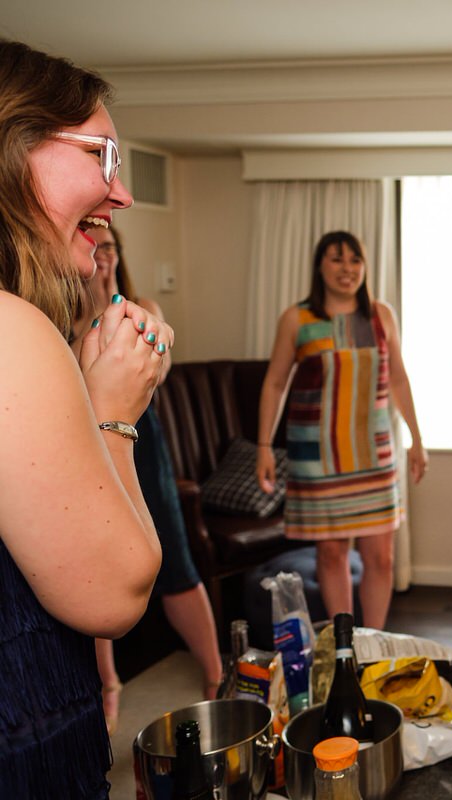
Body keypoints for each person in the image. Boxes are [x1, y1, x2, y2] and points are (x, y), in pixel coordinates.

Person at [0, 39, 170, 797]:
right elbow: (111, 594)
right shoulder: (10, 329)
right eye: (102, 154)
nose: (122, 195)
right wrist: (114, 409)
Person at [71, 226, 224, 734]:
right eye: (98, 245)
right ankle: (109, 683)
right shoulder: (62, 313)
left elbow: (159, 366)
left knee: (174, 557)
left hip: (141, 437)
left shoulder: (141, 306)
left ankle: (215, 673)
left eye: (112, 247)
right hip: (81, 435)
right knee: (95, 560)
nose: (105, 253)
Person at [256, 231, 426, 630]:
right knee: (332, 554)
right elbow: (275, 383)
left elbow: (398, 379)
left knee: (381, 556)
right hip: (317, 458)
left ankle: (374, 641)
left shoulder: (381, 315)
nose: (347, 269)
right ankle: (346, 647)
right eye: (336, 259)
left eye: (355, 260)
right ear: (320, 266)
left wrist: (417, 440)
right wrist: (264, 445)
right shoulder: (297, 319)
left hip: (374, 452)